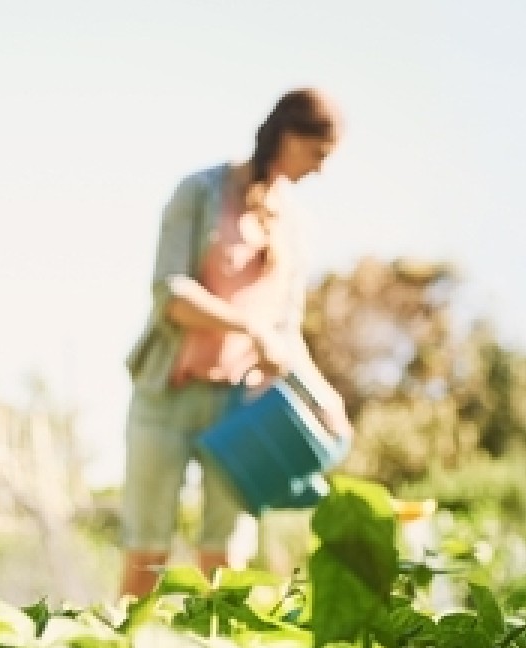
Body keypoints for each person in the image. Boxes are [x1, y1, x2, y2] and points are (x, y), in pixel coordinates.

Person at [120, 88, 352, 598]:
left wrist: (321, 394)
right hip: (167, 395)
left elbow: (286, 329)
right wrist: (250, 329)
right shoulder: (199, 193)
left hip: (240, 408)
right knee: (147, 553)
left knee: (226, 559)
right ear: (287, 136)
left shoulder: (295, 225)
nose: (320, 170)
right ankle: (124, 644)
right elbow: (171, 295)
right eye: (316, 153)